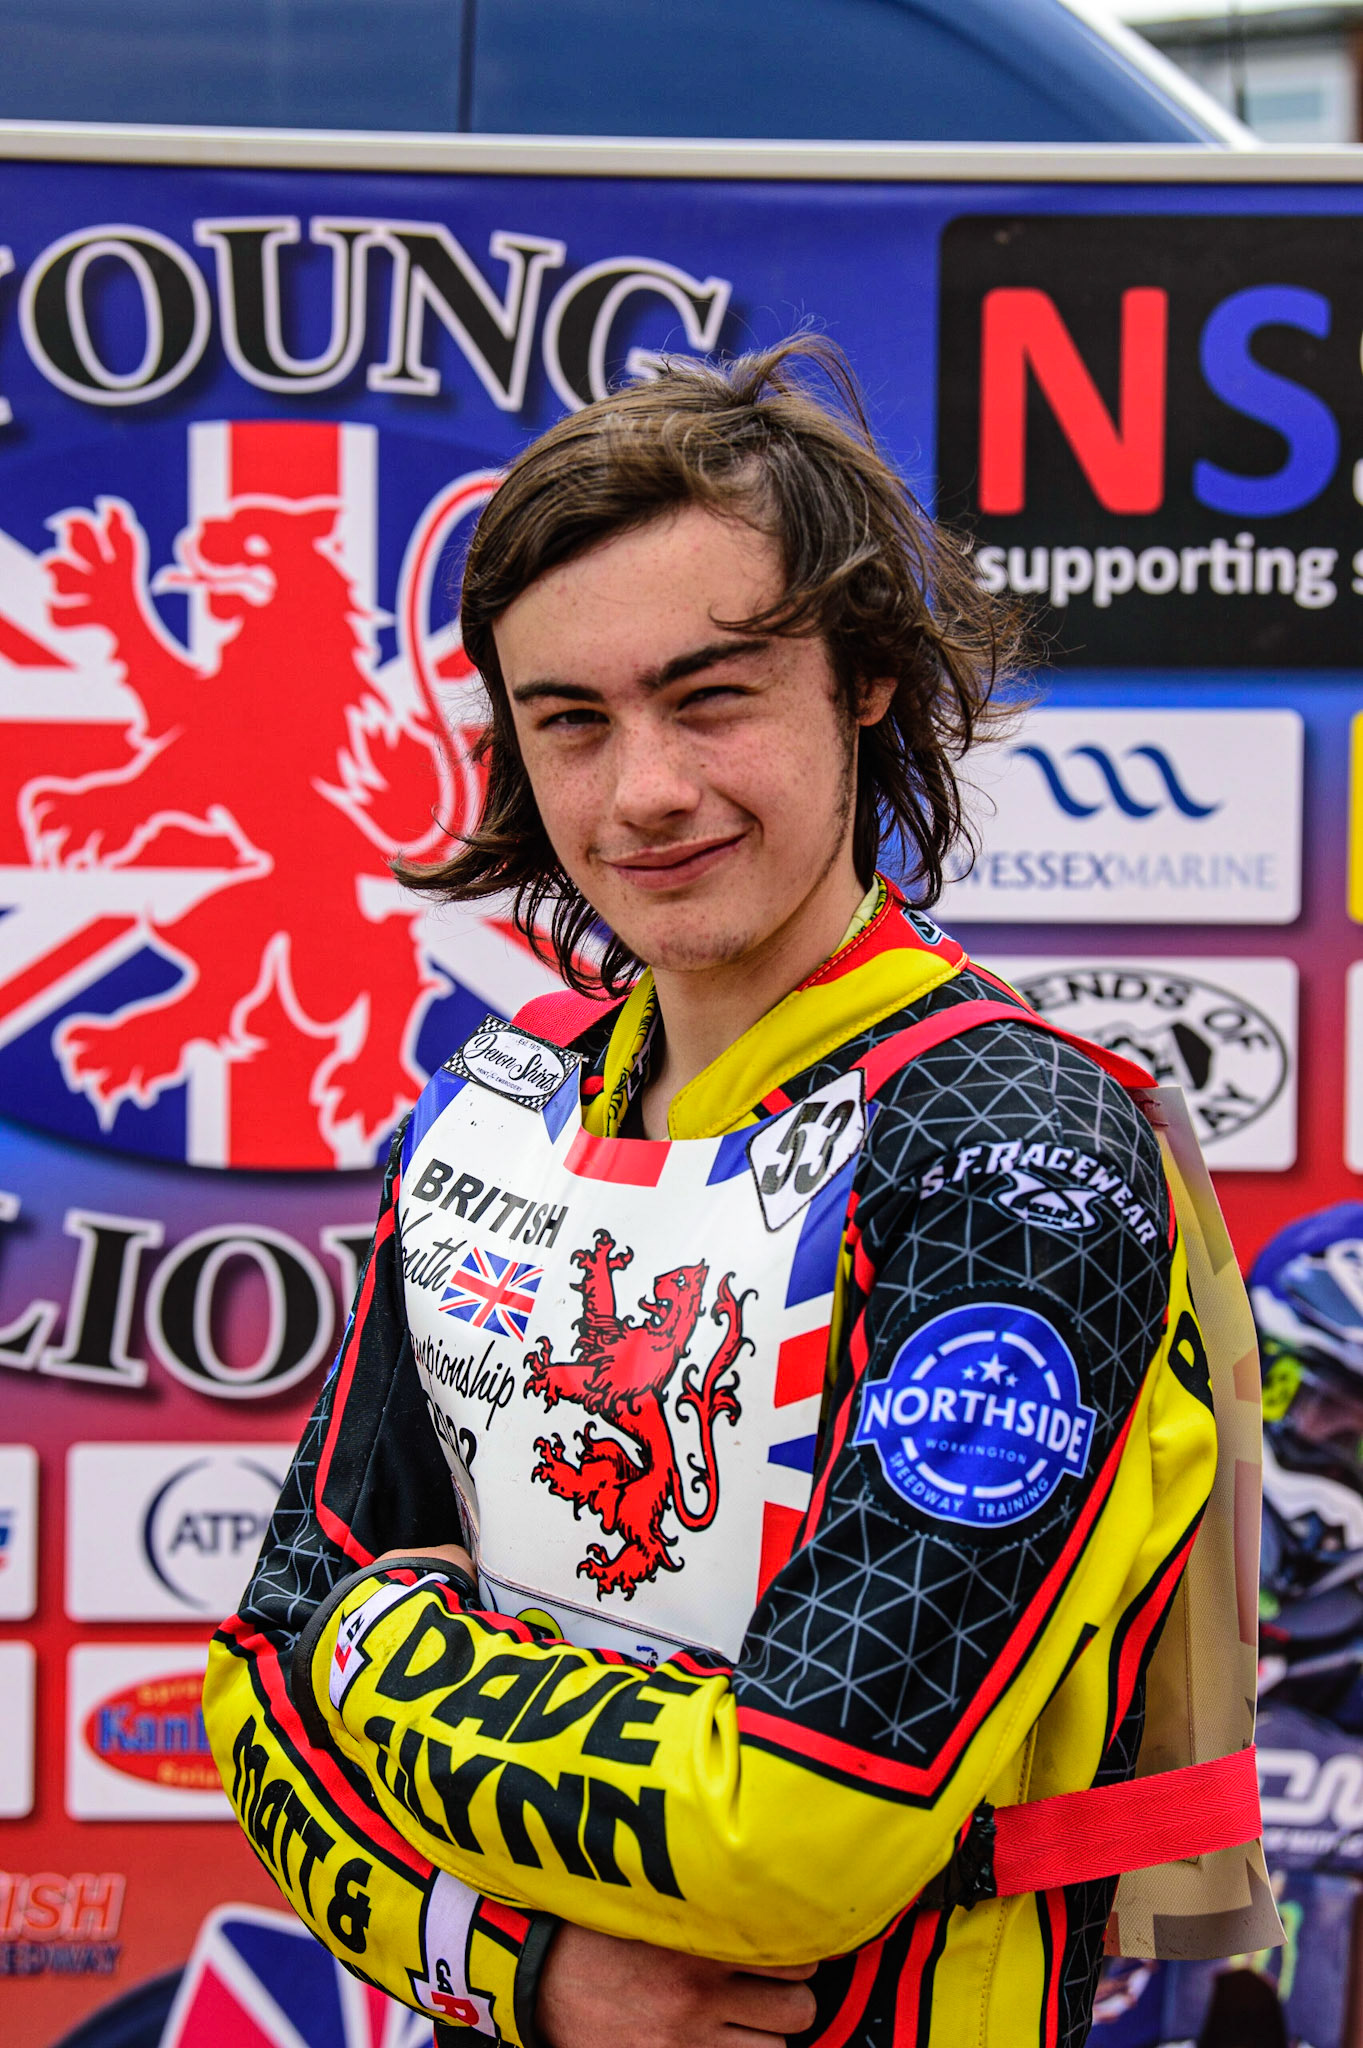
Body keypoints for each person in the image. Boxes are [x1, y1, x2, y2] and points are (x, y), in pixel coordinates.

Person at [204, 338, 1253, 2048]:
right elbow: (253, 1708)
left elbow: (801, 1835)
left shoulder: (1013, 1144)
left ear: (866, 683)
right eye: (573, 722)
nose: (645, 793)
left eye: (710, 698)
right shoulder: (504, 1101)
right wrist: (519, 1972)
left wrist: (371, 1660)